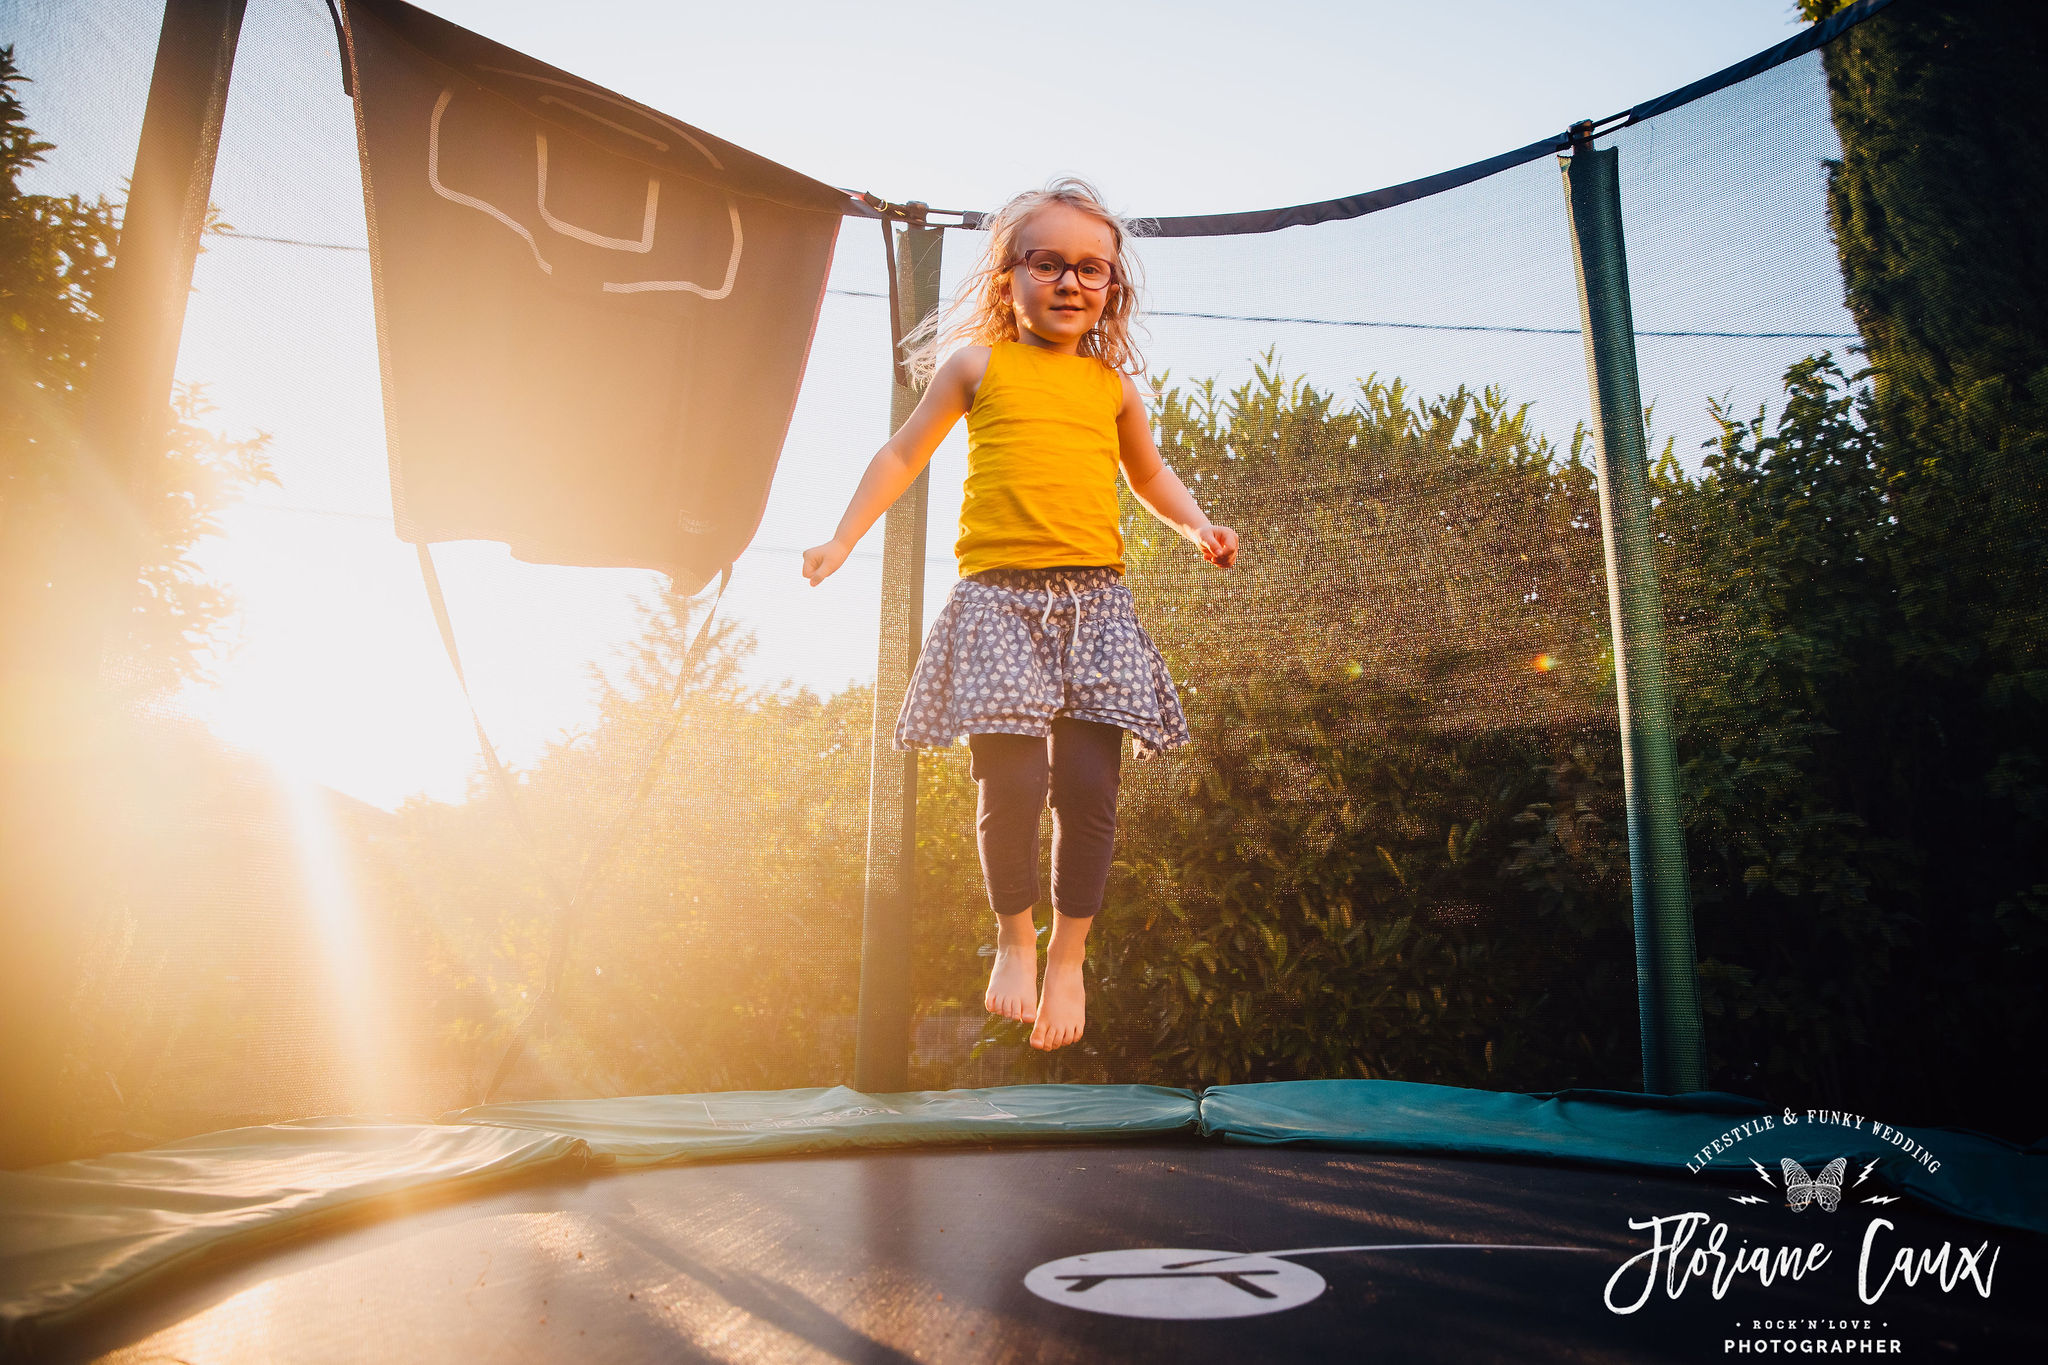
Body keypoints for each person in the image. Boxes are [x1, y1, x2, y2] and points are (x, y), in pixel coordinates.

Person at [801, 178, 1238, 1051]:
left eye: (1093, 269)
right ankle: (1014, 938)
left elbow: (1148, 475)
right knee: (1012, 783)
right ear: (1010, 276)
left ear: (1112, 288)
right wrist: (844, 538)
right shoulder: (976, 365)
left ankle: (1070, 955)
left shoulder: (1111, 387)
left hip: (1096, 602)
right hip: (999, 600)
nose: (1072, 283)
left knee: (1087, 788)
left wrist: (1196, 524)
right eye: (1049, 263)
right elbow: (902, 451)